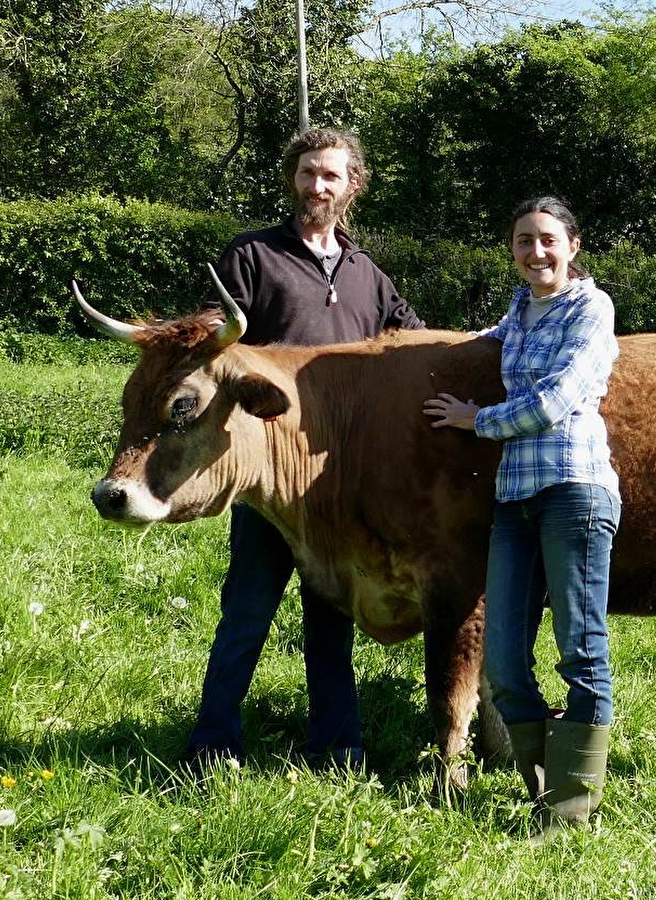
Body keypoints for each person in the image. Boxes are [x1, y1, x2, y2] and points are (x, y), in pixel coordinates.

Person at [186, 127, 425, 772]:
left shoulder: (367, 274)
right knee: (247, 610)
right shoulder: (254, 256)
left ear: (353, 186)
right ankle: (211, 744)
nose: (318, 186)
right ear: (293, 178)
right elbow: (211, 341)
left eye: (331, 175)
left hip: (335, 479)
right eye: (308, 173)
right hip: (266, 476)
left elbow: (414, 340)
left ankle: (338, 747)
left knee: (332, 616)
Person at [423, 196, 621, 834]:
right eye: (523, 241)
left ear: (573, 246)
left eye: (547, 240)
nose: (535, 252)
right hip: (514, 499)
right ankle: (542, 791)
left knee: (580, 650)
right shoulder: (519, 309)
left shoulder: (591, 308)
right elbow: (480, 344)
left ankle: (570, 811)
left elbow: (556, 400)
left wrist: (474, 419)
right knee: (505, 661)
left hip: (574, 491)